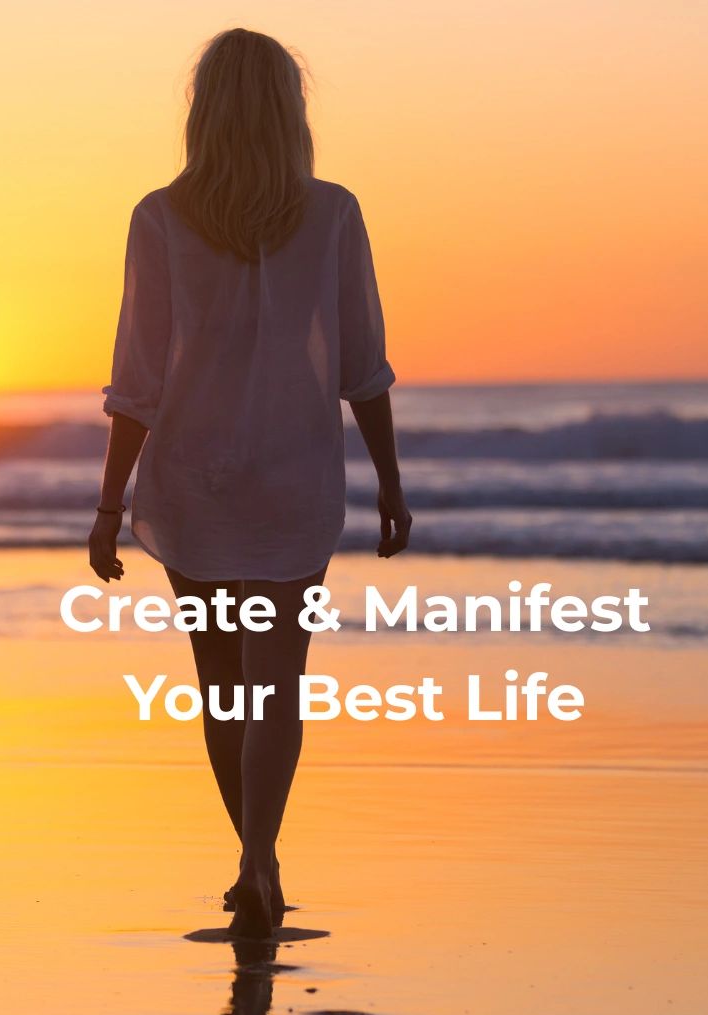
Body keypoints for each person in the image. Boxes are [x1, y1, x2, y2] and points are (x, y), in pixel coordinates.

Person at [87, 28, 411, 940]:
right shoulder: (332, 213)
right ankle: (259, 859)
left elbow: (138, 381)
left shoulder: (160, 217)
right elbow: (362, 366)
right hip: (292, 477)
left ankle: (257, 863)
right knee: (277, 684)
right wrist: (390, 483)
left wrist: (109, 505)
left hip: (193, 476)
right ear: (287, 109)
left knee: (221, 684)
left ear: (205, 111)